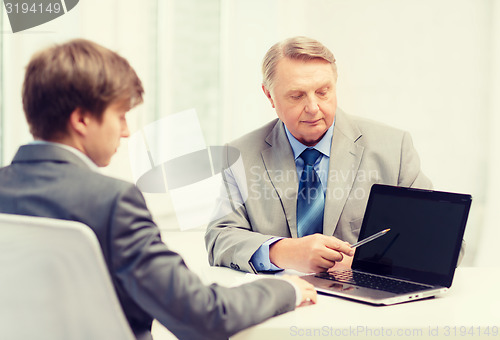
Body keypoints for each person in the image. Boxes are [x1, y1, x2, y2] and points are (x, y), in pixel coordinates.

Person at [0, 39, 317, 340]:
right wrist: (286, 289)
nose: (126, 131)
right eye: (120, 115)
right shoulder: (113, 202)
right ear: (81, 119)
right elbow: (204, 316)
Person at [205, 36, 435, 274]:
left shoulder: (393, 148)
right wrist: (284, 251)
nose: (313, 108)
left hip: (366, 303)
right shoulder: (241, 156)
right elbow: (219, 238)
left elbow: (440, 239)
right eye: (297, 96)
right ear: (269, 96)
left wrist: (368, 262)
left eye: (323, 92)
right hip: (282, 301)